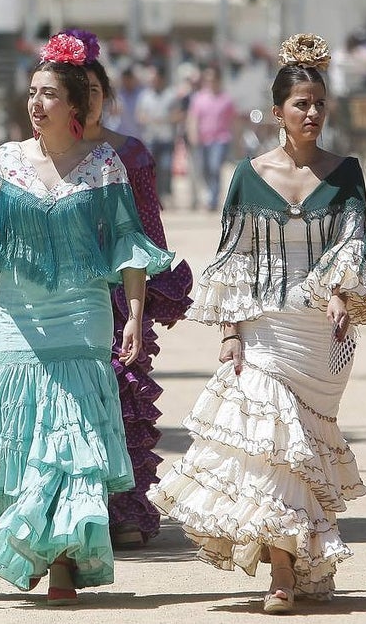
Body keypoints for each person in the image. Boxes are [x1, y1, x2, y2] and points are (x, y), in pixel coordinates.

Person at [148, 34, 366, 615]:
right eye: (300, 105)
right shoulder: (247, 174)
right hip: (264, 328)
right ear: (278, 111)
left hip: (322, 335)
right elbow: (231, 257)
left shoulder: (347, 172)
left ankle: (303, 558)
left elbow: (355, 243)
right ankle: (282, 570)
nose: (312, 114)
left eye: (318, 103)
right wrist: (231, 331)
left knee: (306, 446)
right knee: (270, 443)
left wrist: (341, 293)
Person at [0, 33, 173, 604]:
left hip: (83, 314)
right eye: (33, 93)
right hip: (20, 316)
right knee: (27, 438)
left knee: (71, 440)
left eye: (49, 94)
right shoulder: (6, 160)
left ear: (77, 105)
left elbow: (126, 243)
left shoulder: (104, 166)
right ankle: (38, 549)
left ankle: (66, 559)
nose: (37, 103)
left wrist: (136, 313)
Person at [68, 29, 194, 549]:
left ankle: (126, 509)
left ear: (106, 95)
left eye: (95, 91)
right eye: (79, 92)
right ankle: (76, 511)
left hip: (123, 294)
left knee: (122, 401)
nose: (88, 101)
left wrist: (150, 292)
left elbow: (147, 228)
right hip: (68, 299)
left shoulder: (133, 153)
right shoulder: (48, 155)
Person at [187, 65, 238, 211]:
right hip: (204, 139)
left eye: (213, 79)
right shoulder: (199, 98)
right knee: (204, 169)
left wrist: (237, 140)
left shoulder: (226, 99)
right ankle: (210, 193)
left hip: (221, 139)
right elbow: (193, 117)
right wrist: (193, 134)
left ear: (219, 80)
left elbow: (233, 120)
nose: (210, 82)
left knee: (215, 167)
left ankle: (213, 199)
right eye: (208, 79)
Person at [135, 64, 181, 203]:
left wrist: (164, 120)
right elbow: (139, 116)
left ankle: (165, 194)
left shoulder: (171, 95)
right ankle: (154, 196)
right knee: (151, 169)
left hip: (166, 138)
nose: (151, 80)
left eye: (154, 77)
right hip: (150, 138)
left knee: (166, 168)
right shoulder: (145, 96)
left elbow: (178, 115)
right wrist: (148, 120)